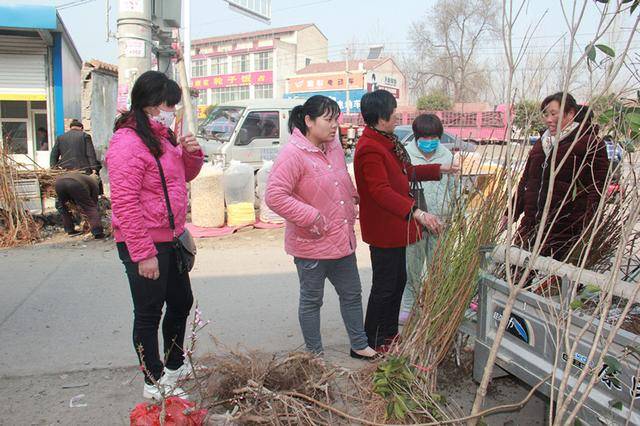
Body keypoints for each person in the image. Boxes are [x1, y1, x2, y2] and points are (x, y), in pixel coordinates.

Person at [106, 71, 204, 400]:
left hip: (171, 236)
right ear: (150, 105)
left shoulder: (162, 137)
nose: (172, 110)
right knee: (149, 311)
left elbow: (183, 176)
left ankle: (175, 364)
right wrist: (142, 252)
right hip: (144, 240)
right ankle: (153, 379)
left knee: (181, 301)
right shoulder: (128, 142)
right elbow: (124, 202)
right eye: (168, 104)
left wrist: (191, 153)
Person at [265, 95, 378, 360]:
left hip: (341, 239)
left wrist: (352, 195)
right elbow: (275, 196)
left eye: (336, 119)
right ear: (308, 121)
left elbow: (340, 177)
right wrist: (311, 216)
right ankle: (314, 355)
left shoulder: (334, 147)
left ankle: (359, 344)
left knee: (352, 294)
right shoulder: (293, 154)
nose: (334, 125)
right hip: (311, 243)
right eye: (328, 119)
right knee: (312, 302)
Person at [354, 90, 459, 351]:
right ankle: (374, 340)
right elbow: (380, 190)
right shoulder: (370, 148)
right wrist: (417, 211)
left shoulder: (387, 141)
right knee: (385, 286)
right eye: (394, 111)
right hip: (384, 227)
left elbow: (404, 173)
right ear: (381, 117)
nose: (397, 116)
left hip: (396, 227)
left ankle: (389, 335)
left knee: (397, 281)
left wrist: (438, 169)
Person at [505, 92, 609, 262]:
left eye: (554, 114)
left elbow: (596, 189)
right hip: (531, 227)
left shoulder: (589, 144)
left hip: (564, 232)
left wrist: (586, 228)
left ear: (570, 114)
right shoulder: (542, 143)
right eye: (545, 114)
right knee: (517, 276)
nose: (548, 119)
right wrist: (511, 212)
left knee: (553, 284)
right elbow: (526, 182)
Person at [399, 114, 456, 324]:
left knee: (440, 267)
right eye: (425, 137)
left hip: (441, 221)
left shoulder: (447, 155)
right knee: (411, 268)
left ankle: (437, 305)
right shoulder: (406, 155)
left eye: (434, 137)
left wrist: (457, 213)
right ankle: (408, 306)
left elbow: (454, 188)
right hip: (414, 221)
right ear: (416, 136)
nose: (430, 141)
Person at [54, 172, 104, 238]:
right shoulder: (94, 183)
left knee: (63, 208)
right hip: (75, 183)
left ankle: (70, 230)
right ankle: (97, 232)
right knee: (90, 208)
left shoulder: (84, 177)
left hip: (59, 183)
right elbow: (93, 203)